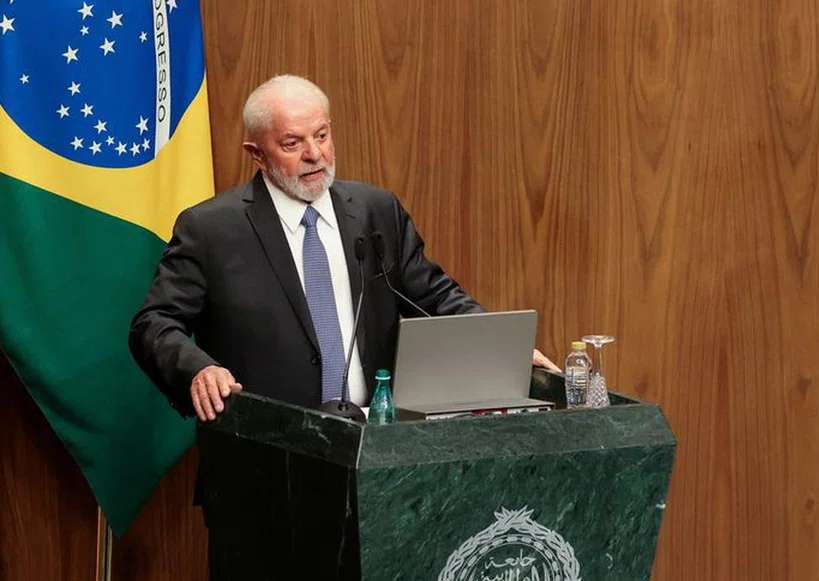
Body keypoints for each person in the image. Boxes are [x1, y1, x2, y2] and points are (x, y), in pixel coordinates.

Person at [129, 74, 558, 422]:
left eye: (322, 135)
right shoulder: (211, 229)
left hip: (374, 450)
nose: (315, 155)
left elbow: (431, 295)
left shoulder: (375, 211)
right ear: (257, 155)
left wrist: (502, 348)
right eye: (293, 144)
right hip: (264, 457)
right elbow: (154, 324)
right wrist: (198, 369)